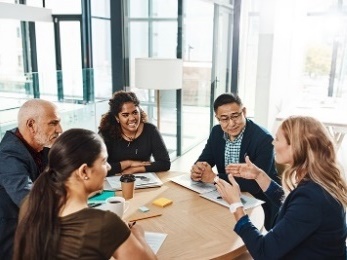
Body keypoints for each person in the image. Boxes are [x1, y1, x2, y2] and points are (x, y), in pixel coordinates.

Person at [215, 116, 347, 259]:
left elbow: (264, 253)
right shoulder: (319, 184)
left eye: (277, 139)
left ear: (295, 146)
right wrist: (259, 176)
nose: (272, 142)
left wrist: (236, 205)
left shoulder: (312, 198)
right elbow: (294, 210)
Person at [13, 128, 157, 260]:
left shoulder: (30, 204)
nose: (108, 167)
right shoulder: (104, 224)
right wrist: (138, 236)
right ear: (84, 171)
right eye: (104, 161)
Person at [190, 93, 280, 230]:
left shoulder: (264, 139)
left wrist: (214, 178)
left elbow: (254, 185)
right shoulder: (216, 132)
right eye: (224, 119)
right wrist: (198, 169)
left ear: (244, 112)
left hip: (258, 202)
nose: (231, 123)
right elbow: (205, 160)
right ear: (217, 118)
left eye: (235, 116)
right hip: (225, 199)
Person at [0, 99, 62, 260]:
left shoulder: (38, 146)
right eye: (53, 123)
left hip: (38, 230)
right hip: (14, 241)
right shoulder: (8, 155)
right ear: (31, 125)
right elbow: (28, 199)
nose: (60, 129)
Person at [99, 90, 170, 175]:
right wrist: (128, 163)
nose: (132, 118)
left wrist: (136, 169)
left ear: (139, 111)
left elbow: (165, 163)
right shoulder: (106, 134)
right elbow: (98, 168)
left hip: (144, 180)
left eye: (135, 112)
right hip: (114, 182)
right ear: (117, 118)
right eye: (125, 115)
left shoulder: (151, 130)